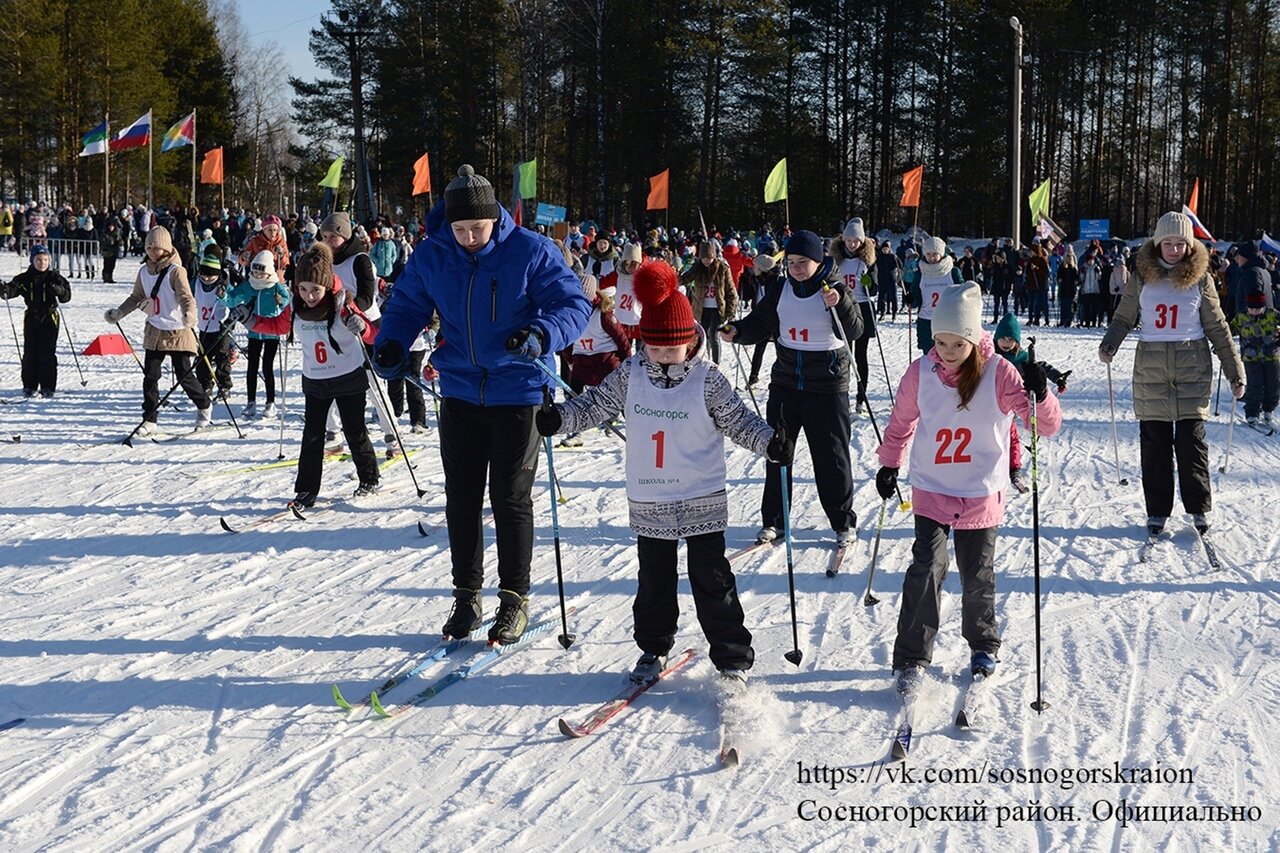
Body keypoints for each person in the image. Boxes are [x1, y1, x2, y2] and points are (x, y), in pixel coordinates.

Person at [534, 261, 793, 685]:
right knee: (654, 580)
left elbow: (739, 421)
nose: (662, 357)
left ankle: (732, 658)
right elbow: (593, 406)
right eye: (654, 349)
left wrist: (770, 443)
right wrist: (558, 419)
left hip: (700, 494)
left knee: (711, 579)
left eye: (671, 350)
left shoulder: (709, 379)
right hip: (650, 496)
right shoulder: (631, 373)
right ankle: (653, 647)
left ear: (691, 341)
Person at [372, 164, 590, 646]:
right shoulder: (433, 255)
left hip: (520, 391)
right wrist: (391, 343)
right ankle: (466, 596)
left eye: (478, 227)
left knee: (510, 498)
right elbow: (407, 305)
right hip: (461, 391)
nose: (470, 237)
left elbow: (573, 305)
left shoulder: (531, 250)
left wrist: (541, 333)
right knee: (462, 497)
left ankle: (514, 599)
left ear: (496, 218)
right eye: (461, 228)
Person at [875, 282, 1062, 687]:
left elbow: (1044, 426)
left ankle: (983, 644)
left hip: (980, 492)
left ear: (974, 338)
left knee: (977, 574)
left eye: (956, 343)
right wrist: (889, 464)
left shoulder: (999, 373)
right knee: (926, 568)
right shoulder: (921, 372)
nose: (945, 351)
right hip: (932, 487)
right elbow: (901, 422)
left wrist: (1040, 393)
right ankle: (911, 656)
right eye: (940, 341)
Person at [1099, 211, 1245, 537]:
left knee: (1191, 443)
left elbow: (1218, 329)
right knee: (1155, 445)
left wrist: (1235, 371)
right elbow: (1124, 318)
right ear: (1158, 242)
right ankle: (1157, 511)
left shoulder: (1201, 279)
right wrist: (1110, 344)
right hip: (1151, 370)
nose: (1174, 249)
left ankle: (1198, 507)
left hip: (1192, 369)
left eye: (1181, 243)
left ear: (1189, 245)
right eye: (1169, 242)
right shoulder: (1140, 277)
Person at [720, 229, 861, 546]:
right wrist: (737, 331)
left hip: (827, 388)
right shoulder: (781, 289)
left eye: (802, 262)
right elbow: (759, 323)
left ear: (819, 260)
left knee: (832, 458)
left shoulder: (833, 288)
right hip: (786, 386)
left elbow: (855, 329)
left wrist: (838, 304)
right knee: (777, 454)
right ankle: (774, 521)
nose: (796, 268)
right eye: (792, 262)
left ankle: (843, 522)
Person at [289, 242, 380, 507]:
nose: (309, 295)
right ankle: (306, 490)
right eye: (303, 289)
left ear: (327, 285)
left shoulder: (343, 304)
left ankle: (369, 478)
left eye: (315, 289)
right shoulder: (296, 306)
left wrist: (362, 327)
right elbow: (277, 326)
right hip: (315, 381)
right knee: (313, 435)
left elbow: (375, 335)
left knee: (354, 430)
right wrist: (251, 320)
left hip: (348, 378)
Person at [103, 226, 212, 434]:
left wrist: (190, 314)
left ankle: (204, 405)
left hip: (177, 329)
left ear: (167, 248)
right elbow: (136, 297)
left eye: (157, 248)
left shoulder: (175, 271)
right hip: (155, 328)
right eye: (150, 247)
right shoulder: (144, 271)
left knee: (184, 375)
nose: (153, 251)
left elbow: (186, 298)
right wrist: (119, 313)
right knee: (150, 376)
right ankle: (149, 419)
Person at [993, 311, 1071, 493]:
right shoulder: (991, 357)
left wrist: (1057, 377)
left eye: (1010, 339)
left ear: (1017, 341)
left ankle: (1015, 468)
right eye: (1002, 338)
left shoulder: (1021, 358)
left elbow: (1040, 367)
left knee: (1011, 435)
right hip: (995, 401)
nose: (1006, 342)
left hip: (1015, 402)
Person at [561, 273, 629, 447]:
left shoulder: (604, 314)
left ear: (593, 296)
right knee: (573, 394)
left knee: (618, 392)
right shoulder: (572, 313)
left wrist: (628, 362)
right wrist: (569, 360)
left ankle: (630, 424)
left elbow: (621, 340)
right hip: (582, 360)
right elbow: (567, 340)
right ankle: (576, 432)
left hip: (605, 360)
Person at [224, 251, 290, 419]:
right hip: (253, 332)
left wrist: (281, 302)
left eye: (262, 272)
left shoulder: (275, 286)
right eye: (255, 272)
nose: (258, 275)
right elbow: (232, 299)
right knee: (252, 367)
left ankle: (270, 402)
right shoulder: (248, 286)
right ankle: (251, 402)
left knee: (267, 367)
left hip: (271, 333)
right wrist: (222, 295)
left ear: (269, 272)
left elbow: (288, 303)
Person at [2, 245, 71, 397]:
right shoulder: (25, 278)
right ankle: (29, 385)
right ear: (32, 260)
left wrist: (60, 291)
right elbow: (13, 289)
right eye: (39, 260)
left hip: (49, 317)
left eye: (45, 260)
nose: (42, 263)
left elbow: (66, 296)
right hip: (32, 316)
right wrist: (5, 290)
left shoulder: (54, 277)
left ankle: (47, 387)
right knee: (30, 352)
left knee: (47, 352)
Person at [831, 217, 878, 412]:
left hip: (864, 308)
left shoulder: (868, 260)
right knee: (844, 355)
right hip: (844, 308)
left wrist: (869, 282)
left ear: (862, 241)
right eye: (849, 240)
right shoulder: (836, 259)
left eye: (855, 241)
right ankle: (842, 395)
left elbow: (875, 289)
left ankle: (861, 396)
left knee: (861, 355)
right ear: (843, 240)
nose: (852, 244)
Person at [1231, 280, 1278, 429]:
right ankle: (1252, 413)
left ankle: (1268, 410)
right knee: (1255, 386)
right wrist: (1223, 343)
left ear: (1263, 306)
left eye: (1257, 309)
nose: (1254, 311)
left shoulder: (1272, 315)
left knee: (1274, 386)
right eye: (1251, 308)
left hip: (1272, 356)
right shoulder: (1242, 317)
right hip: (1251, 358)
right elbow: (1229, 330)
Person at [680, 239, 737, 364]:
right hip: (702, 308)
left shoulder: (722, 268)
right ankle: (703, 360)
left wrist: (730, 312)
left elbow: (731, 291)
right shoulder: (698, 267)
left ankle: (716, 363)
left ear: (714, 256)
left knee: (714, 334)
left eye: (709, 258)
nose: (706, 261)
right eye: (703, 258)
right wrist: (673, 280)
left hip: (717, 308)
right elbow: (686, 278)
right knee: (703, 335)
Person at [192, 247, 234, 403]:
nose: (207, 278)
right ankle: (205, 384)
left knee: (222, 356)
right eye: (204, 275)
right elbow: (187, 296)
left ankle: (224, 385)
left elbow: (233, 300)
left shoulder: (223, 284)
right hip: (204, 326)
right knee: (203, 357)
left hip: (221, 326)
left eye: (211, 276)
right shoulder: (196, 283)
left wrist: (230, 318)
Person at [909, 236, 964, 352]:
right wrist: (911, 300)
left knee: (948, 355)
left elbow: (962, 295)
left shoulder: (953, 272)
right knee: (928, 357)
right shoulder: (920, 273)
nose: (931, 257)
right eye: (928, 254)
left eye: (935, 254)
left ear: (941, 253)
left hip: (948, 321)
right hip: (926, 321)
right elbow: (916, 298)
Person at [875, 240, 902, 321]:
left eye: (887, 249)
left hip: (891, 279)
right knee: (882, 297)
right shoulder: (879, 257)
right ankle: (882, 313)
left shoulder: (892, 257)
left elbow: (900, 266)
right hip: (882, 279)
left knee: (893, 296)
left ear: (889, 249)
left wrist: (897, 260)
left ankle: (894, 312)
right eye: (884, 249)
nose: (885, 250)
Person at [1056, 248, 1078, 327]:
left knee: (1069, 306)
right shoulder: (1062, 267)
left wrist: (1076, 281)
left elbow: (1077, 278)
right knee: (1063, 305)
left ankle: (1069, 320)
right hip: (1063, 288)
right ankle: (1063, 320)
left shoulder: (1073, 268)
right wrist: (1059, 280)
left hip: (1071, 289)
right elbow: (1058, 276)